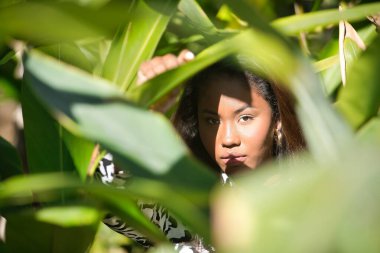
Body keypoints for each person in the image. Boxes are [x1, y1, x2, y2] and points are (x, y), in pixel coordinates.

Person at [95, 50, 306, 252]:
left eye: (245, 118)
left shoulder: (318, 200)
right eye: (212, 121)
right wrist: (141, 116)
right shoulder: (191, 205)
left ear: (277, 120)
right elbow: (102, 195)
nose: (228, 139)